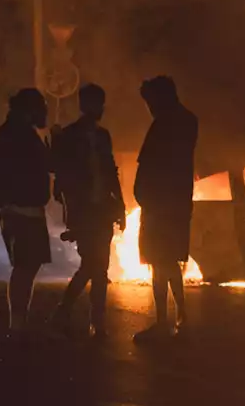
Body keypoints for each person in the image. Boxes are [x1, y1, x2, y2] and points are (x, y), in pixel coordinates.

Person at [51, 84, 124, 338]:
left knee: (96, 265)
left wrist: (121, 205)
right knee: (94, 264)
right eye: (96, 104)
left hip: (103, 209)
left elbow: (111, 170)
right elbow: (59, 172)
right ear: (85, 106)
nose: (99, 109)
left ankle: (86, 316)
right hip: (83, 211)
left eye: (101, 104)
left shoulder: (103, 136)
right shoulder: (69, 136)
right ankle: (85, 315)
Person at [0, 88, 51, 333]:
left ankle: (19, 323)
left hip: (25, 211)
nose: (45, 111)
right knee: (24, 267)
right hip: (21, 212)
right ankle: (17, 326)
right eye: (40, 106)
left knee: (27, 268)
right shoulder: (18, 138)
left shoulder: (19, 136)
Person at [133, 76, 198, 341]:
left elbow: (149, 164)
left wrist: (144, 197)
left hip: (159, 205)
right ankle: (181, 315)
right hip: (178, 204)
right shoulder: (188, 121)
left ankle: (163, 321)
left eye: (150, 101)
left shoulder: (164, 124)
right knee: (169, 261)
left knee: (160, 263)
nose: (149, 107)